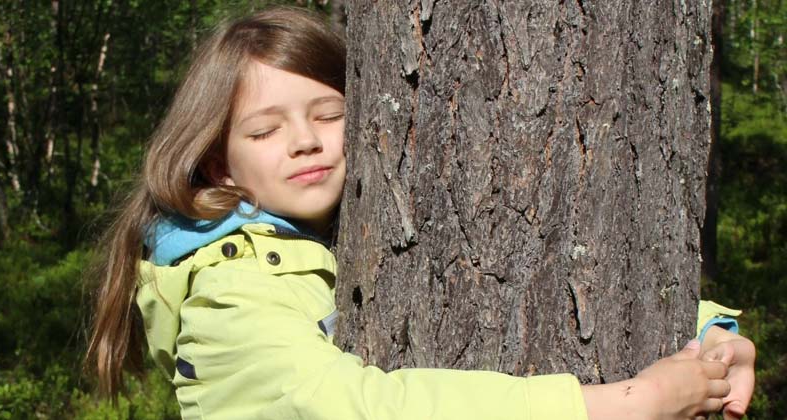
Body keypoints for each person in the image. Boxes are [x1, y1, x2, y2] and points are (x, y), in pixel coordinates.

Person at [85, 6, 755, 420]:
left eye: (330, 114)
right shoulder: (229, 295)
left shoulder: (337, 238)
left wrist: (711, 340)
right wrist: (622, 406)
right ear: (218, 165)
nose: (306, 141)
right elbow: (357, 410)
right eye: (264, 131)